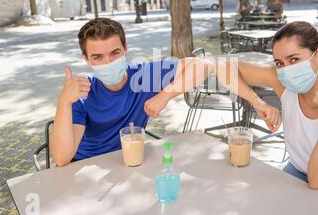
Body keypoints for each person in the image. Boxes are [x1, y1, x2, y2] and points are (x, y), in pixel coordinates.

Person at [215, 21, 318, 212]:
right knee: (254, 203)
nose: (286, 70)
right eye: (279, 63)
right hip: (300, 171)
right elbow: (222, 68)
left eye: (294, 60)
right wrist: (257, 101)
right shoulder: (284, 82)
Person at [50, 18, 213, 166]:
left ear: (125, 49)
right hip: (85, 167)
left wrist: (165, 95)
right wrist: (64, 102)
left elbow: (203, 65)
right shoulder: (81, 94)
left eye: (115, 53)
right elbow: (61, 159)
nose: (108, 62)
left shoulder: (144, 77)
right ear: (86, 59)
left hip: (128, 162)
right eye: (98, 57)